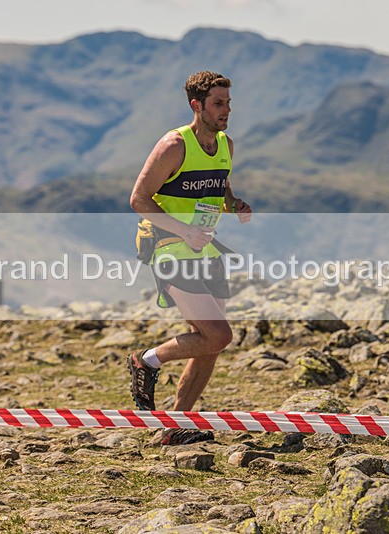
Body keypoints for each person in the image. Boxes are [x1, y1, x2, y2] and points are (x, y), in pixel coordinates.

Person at [128, 71, 252, 445]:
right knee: (218, 334)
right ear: (196, 105)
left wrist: (234, 204)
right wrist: (183, 231)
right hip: (167, 246)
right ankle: (146, 360)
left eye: (228, 103)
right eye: (218, 103)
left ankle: (174, 427)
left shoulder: (226, 145)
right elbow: (138, 199)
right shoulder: (173, 145)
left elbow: (219, 186)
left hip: (204, 247)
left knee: (210, 343)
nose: (226, 110)